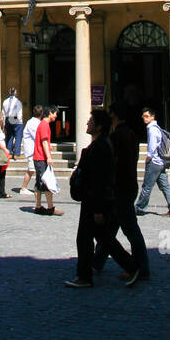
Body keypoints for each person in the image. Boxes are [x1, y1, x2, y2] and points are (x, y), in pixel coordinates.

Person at [65, 108, 138, 288]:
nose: (87, 123)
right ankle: (132, 265)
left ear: (98, 126)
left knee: (85, 239)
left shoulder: (101, 147)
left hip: (94, 201)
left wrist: (98, 209)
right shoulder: (100, 144)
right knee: (104, 238)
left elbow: (99, 180)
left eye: (91, 121)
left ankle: (84, 277)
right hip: (95, 200)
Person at [93, 102, 149, 281]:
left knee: (130, 230)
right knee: (108, 230)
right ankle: (97, 262)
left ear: (114, 116)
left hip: (120, 188)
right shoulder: (131, 134)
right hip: (129, 185)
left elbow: (112, 164)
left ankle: (141, 267)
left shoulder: (117, 136)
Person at [135, 108, 170, 217]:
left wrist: (149, 156)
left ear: (152, 117)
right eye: (143, 117)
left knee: (147, 186)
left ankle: (139, 208)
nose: (144, 119)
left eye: (146, 116)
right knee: (165, 186)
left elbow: (153, 145)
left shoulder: (152, 129)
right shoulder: (157, 128)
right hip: (160, 162)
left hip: (154, 162)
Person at [33, 106, 63, 217]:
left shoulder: (42, 124)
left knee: (40, 183)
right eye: (55, 113)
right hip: (41, 158)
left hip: (38, 158)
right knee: (46, 183)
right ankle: (50, 207)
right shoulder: (44, 125)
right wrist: (49, 157)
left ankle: (38, 206)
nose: (56, 116)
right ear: (50, 113)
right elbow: (44, 142)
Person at [19, 104, 42, 195]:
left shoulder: (32, 122)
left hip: (33, 149)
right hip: (32, 150)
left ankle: (41, 186)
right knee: (31, 169)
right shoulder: (34, 123)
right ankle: (23, 188)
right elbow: (37, 136)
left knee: (37, 169)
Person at [2, 88, 24, 157]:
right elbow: (19, 112)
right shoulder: (18, 101)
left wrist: (4, 123)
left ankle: (9, 153)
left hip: (8, 118)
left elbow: (3, 113)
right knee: (18, 136)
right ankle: (17, 153)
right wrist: (20, 121)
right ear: (15, 93)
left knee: (9, 136)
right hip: (15, 118)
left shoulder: (5, 101)